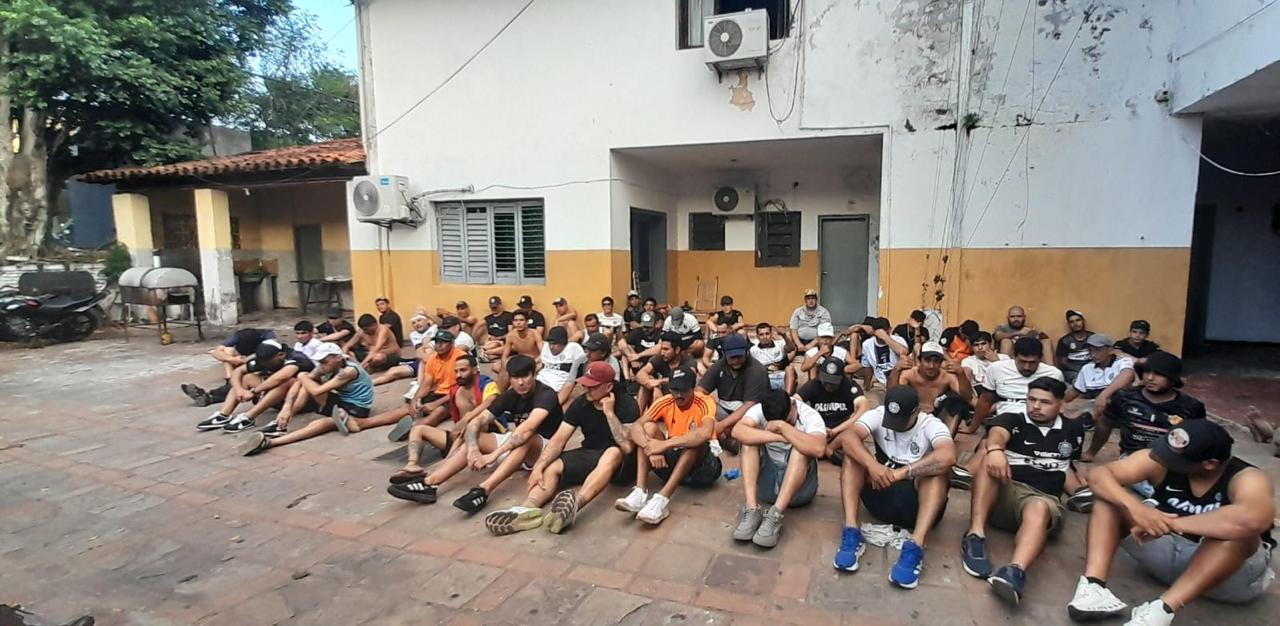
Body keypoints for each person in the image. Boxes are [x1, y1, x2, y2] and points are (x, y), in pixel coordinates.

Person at [1066, 420, 1275, 624]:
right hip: (1170, 553)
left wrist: (1172, 524)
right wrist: (1136, 509)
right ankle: (1093, 588)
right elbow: (1099, 475)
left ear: (1210, 464)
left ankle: (1162, 611)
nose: (1166, 460)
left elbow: (1252, 519)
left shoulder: (1247, 477)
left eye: (1178, 459)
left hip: (1229, 577)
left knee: (1239, 534)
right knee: (1110, 499)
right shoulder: (1161, 461)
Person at [960, 377, 1085, 605]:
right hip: (1004, 494)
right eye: (1031, 399)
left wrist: (1081, 492)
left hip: (1042, 501)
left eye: (1045, 402)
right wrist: (995, 449)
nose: (1035, 406)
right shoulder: (1013, 419)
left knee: (1039, 507)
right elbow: (997, 433)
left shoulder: (1073, 430)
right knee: (989, 462)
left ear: (1061, 405)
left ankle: (1014, 572)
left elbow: (1065, 467)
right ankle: (975, 535)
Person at [386, 355, 564, 512]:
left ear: (534, 375)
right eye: (516, 378)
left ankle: (483, 490)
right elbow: (476, 422)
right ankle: (430, 483)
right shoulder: (510, 396)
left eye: (525, 376)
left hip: (545, 450)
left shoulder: (545, 394)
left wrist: (493, 455)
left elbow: (527, 429)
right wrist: (473, 449)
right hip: (517, 445)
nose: (521, 383)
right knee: (475, 437)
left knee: (525, 437)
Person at [483, 361, 640, 536]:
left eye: (593, 386)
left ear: (609, 386)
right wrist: (539, 467)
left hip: (622, 463)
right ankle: (525, 509)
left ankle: (574, 505)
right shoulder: (581, 403)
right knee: (552, 465)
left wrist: (609, 413)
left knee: (612, 452)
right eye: (585, 384)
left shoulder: (627, 404)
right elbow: (558, 440)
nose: (587, 389)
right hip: (591, 453)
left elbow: (627, 447)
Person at [833, 386, 955, 589]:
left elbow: (948, 456)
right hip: (879, 495)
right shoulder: (878, 414)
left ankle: (915, 545)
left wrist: (901, 473)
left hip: (915, 505)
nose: (894, 425)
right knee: (852, 457)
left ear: (916, 412)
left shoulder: (931, 424)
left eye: (901, 420)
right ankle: (851, 531)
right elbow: (847, 438)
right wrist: (872, 465)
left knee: (938, 474)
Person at [615, 366, 720, 524]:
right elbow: (636, 426)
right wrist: (650, 448)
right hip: (674, 464)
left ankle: (662, 500)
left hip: (703, 469)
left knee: (694, 441)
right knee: (648, 428)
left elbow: (705, 433)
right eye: (675, 390)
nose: (678, 395)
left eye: (683, 390)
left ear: (693, 388)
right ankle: (640, 493)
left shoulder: (705, 402)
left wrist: (664, 445)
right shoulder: (665, 402)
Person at [238, 342, 375, 456]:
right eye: (320, 362)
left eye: (325, 362)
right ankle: (282, 421)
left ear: (338, 358)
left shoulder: (348, 371)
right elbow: (303, 382)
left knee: (320, 423)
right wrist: (287, 407)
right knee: (303, 383)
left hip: (356, 409)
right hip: (340, 401)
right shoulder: (325, 368)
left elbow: (317, 391)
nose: (322, 365)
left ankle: (272, 440)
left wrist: (302, 376)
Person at [729, 389, 827, 548]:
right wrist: (779, 437)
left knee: (801, 450)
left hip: (800, 491)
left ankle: (775, 515)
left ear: (793, 405)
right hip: (768, 486)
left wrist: (782, 427)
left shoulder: (809, 415)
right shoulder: (762, 408)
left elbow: (819, 449)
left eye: (788, 420)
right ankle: (752, 509)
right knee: (747, 443)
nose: (784, 425)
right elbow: (737, 431)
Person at [1085, 352, 1206, 471]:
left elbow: (1200, 440)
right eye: (1147, 371)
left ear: (1173, 379)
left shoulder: (1191, 407)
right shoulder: (1124, 397)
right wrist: (1091, 452)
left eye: (1159, 374)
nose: (1150, 378)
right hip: (1131, 460)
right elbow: (1105, 424)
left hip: (1170, 464)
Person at [390, 355, 501, 484]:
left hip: (482, 438)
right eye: (456, 371)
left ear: (475, 370)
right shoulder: (456, 389)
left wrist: (468, 417)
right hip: (458, 438)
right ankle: (412, 465)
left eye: (463, 370)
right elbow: (449, 401)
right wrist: (434, 404)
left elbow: (491, 401)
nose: (458, 375)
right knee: (418, 429)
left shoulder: (487, 384)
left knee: (471, 426)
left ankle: (438, 471)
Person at [197, 339, 313, 433]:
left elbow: (280, 378)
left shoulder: (296, 358)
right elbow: (238, 371)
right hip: (277, 398)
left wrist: (254, 391)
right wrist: (239, 390)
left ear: (281, 355)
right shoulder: (264, 358)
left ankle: (249, 417)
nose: (265, 365)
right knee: (246, 378)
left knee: (287, 382)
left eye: (268, 362)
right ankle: (224, 415)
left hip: (300, 400)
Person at [698, 333, 770, 451]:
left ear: (746, 352)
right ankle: (726, 437)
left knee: (751, 425)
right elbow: (699, 393)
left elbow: (749, 405)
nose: (736, 361)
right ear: (725, 354)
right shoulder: (718, 366)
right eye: (732, 357)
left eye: (739, 356)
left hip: (748, 414)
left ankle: (724, 437)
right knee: (699, 405)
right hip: (723, 410)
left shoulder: (757, 370)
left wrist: (721, 426)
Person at [180, 327, 277, 406]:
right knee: (228, 351)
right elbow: (216, 352)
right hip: (245, 362)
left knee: (243, 381)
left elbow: (268, 355)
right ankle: (229, 381)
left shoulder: (268, 337)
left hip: (263, 364)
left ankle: (211, 396)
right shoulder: (238, 336)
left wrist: (248, 360)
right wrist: (233, 360)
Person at [800, 358, 870, 463]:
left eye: (833, 382)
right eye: (826, 381)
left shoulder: (849, 385)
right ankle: (829, 451)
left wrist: (835, 431)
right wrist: (812, 424)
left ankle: (829, 450)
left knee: (853, 443)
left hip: (842, 431)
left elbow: (864, 408)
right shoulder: (813, 385)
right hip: (818, 430)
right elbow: (794, 402)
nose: (829, 385)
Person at [1064, 333, 1135, 425]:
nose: (1093, 355)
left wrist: (1104, 396)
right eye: (1090, 351)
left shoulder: (1122, 361)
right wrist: (1059, 403)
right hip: (1096, 407)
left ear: (1110, 350)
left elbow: (1128, 375)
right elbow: (1074, 390)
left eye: (1098, 350)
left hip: (1121, 405)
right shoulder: (1087, 368)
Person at [888, 341, 973, 417]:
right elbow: (892, 396)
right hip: (913, 414)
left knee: (957, 403)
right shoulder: (909, 374)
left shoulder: (947, 376)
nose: (931, 366)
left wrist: (961, 374)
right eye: (927, 360)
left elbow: (967, 397)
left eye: (936, 361)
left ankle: (947, 431)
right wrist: (896, 370)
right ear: (920, 360)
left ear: (941, 363)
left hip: (937, 415)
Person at [635, 331, 696, 412]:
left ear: (677, 349)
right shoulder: (660, 358)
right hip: (661, 395)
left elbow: (689, 377)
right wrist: (654, 386)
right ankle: (638, 415)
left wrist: (660, 381)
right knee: (645, 384)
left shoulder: (688, 360)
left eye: (666, 349)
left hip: (679, 397)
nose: (662, 353)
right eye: (661, 349)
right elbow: (640, 374)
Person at [857, 319, 911, 398]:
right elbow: (867, 368)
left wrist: (886, 337)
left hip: (899, 383)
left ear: (890, 329)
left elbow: (903, 352)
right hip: (881, 384)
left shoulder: (898, 340)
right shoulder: (867, 344)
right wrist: (866, 386)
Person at [538, 326, 587, 407]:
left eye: (555, 344)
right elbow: (542, 366)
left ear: (563, 343)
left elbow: (582, 370)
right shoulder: (546, 347)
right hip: (541, 386)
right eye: (550, 343)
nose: (551, 347)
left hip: (561, 388)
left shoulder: (574, 348)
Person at [494, 310, 542, 378]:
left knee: (540, 367)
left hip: (535, 361)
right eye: (515, 320)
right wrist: (504, 366)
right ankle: (519, 375)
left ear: (527, 322)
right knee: (495, 366)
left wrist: (534, 362)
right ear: (513, 323)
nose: (518, 323)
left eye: (521, 320)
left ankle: (519, 375)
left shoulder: (535, 333)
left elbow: (543, 354)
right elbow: (504, 356)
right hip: (521, 361)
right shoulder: (510, 335)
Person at [751, 322, 794, 392]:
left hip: (783, 376)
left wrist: (784, 335)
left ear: (771, 334)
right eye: (761, 334)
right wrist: (768, 368)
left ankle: (787, 396)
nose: (765, 337)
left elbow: (791, 348)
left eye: (767, 333)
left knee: (790, 369)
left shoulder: (780, 343)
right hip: (765, 378)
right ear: (757, 337)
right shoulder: (753, 350)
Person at [788, 289, 832, 353]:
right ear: (805, 300)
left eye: (813, 298)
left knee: (825, 339)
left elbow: (824, 332)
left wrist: (810, 346)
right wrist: (799, 345)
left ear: (816, 300)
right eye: (808, 299)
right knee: (788, 335)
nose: (811, 301)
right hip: (799, 342)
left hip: (817, 343)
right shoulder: (798, 311)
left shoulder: (824, 312)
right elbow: (793, 329)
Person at [1056, 309, 1092, 384]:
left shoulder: (1093, 337)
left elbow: (1099, 356)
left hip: (1092, 368)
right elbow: (1063, 362)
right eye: (1071, 322)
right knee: (1079, 381)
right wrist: (1080, 370)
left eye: (1078, 320)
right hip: (1073, 372)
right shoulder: (1064, 341)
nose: (1075, 324)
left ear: (1083, 321)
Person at [480, 296, 514, 362]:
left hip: (503, 341)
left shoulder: (508, 316)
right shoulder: (487, 318)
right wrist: (489, 337)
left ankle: (484, 351)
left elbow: (511, 333)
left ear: (500, 305)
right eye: (492, 307)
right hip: (491, 342)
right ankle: (486, 354)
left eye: (495, 307)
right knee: (492, 345)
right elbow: (486, 333)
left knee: (496, 344)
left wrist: (498, 338)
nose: (494, 309)